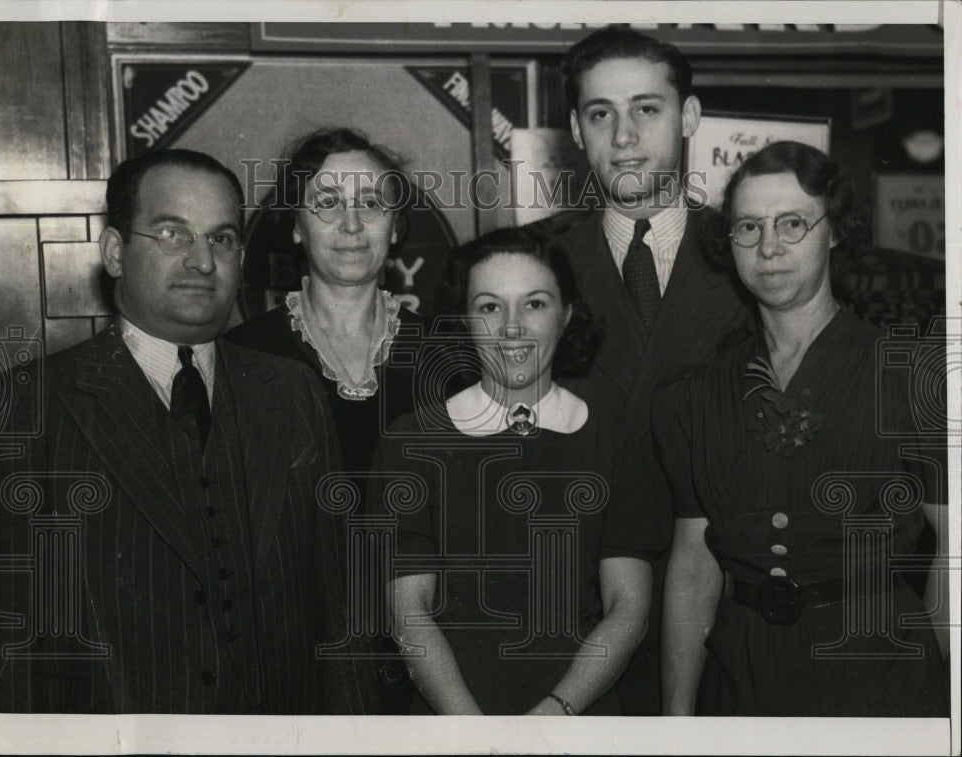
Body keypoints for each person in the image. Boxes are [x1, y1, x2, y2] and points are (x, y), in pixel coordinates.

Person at [0, 148, 378, 714]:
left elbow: (339, 612)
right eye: (173, 234)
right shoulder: (29, 403)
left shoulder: (291, 392)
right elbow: (5, 638)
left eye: (222, 239)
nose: (202, 261)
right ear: (116, 253)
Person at [656, 141, 948, 716]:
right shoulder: (696, 394)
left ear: (834, 231)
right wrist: (677, 717)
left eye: (792, 223)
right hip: (738, 682)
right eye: (748, 227)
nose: (769, 247)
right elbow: (693, 565)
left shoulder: (911, 377)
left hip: (879, 675)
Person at [371, 227, 661, 715]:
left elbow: (628, 611)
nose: (511, 326)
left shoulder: (613, 441)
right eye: (489, 306)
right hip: (453, 722)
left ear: (567, 315)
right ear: (464, 320)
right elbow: (408, 610)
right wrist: (472, 731)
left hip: (580, 716)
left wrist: (555, 713)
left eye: (534, 304)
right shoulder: (411, 440)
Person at [552, 24, 756, 714]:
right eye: (600, 113)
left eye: (647, 108)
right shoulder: (531, 266)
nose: (624, 135)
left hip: (721, 624)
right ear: (575, 130)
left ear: (689, 117)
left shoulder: (751, 264)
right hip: (567, 623)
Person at [225, 127, 436, 713]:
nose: (350, 225)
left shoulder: (449, 357)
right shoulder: (242, 359)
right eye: (326, 203)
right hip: (289, 669)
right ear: (295, 225)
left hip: (427, 666)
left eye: (371, 203)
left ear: (396, 226)